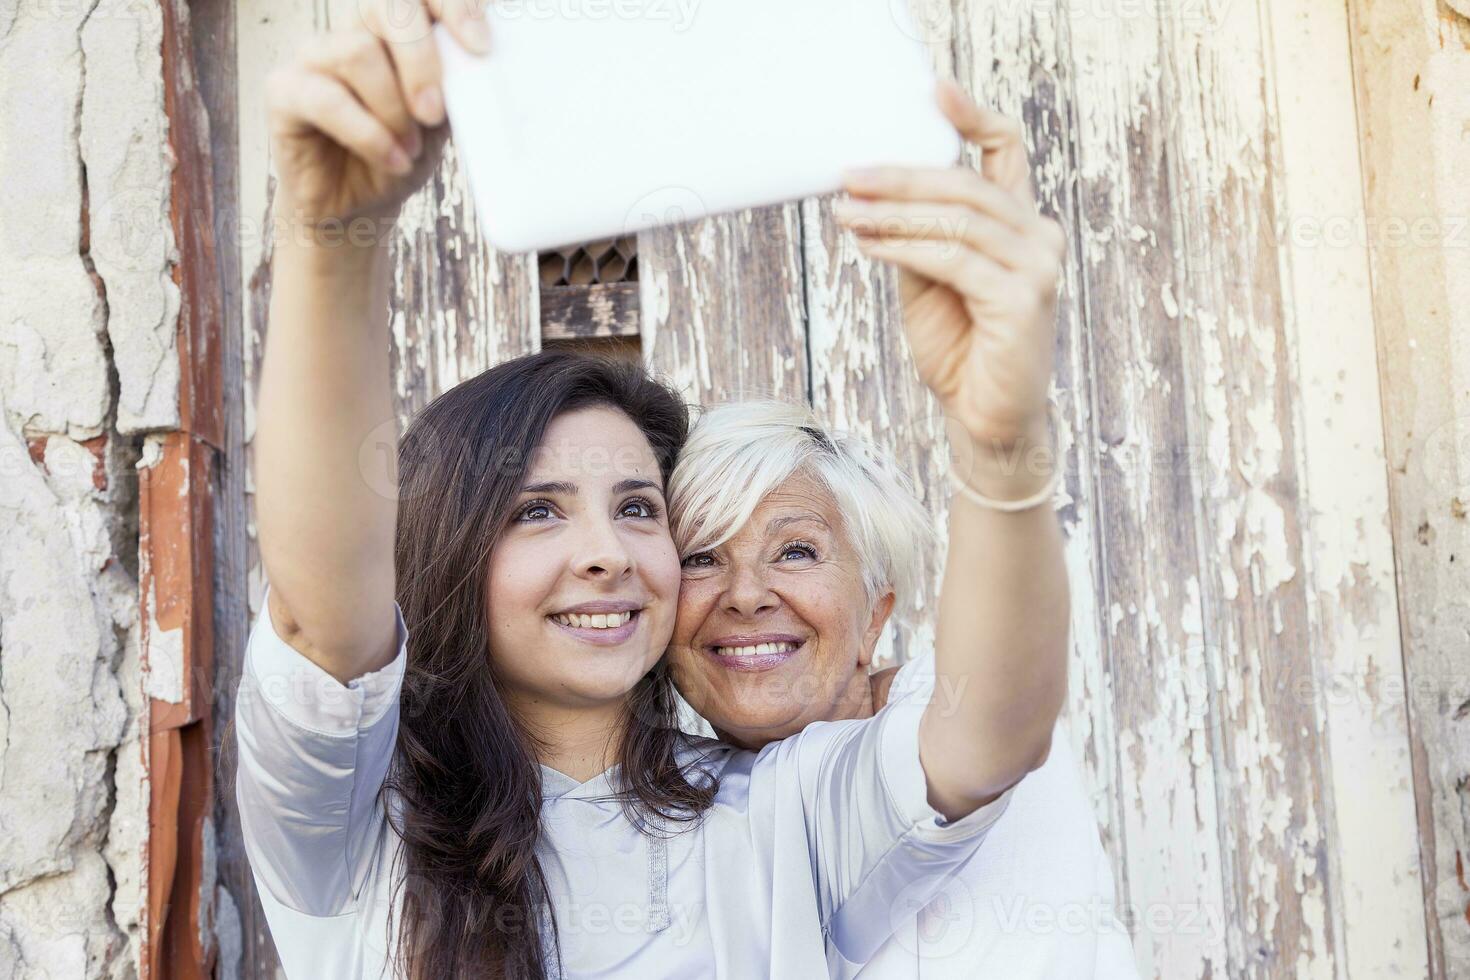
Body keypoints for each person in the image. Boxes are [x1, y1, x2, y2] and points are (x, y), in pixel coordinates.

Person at [234, 0, 1070, 977]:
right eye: (536, 509)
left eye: (638, 506)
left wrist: (1001, 437)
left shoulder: (779, 809)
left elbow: (992, 730)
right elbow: (319, 617)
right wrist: (335, 233)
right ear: (449, 548)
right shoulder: (356, 817)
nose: (607, 551)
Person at [666, 400, 1142, 977]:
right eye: (701, 557)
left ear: (874, 616)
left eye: (795, 551)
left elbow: (989, 730)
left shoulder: (951, 712)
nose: (745, 594)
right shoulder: (678, 798)